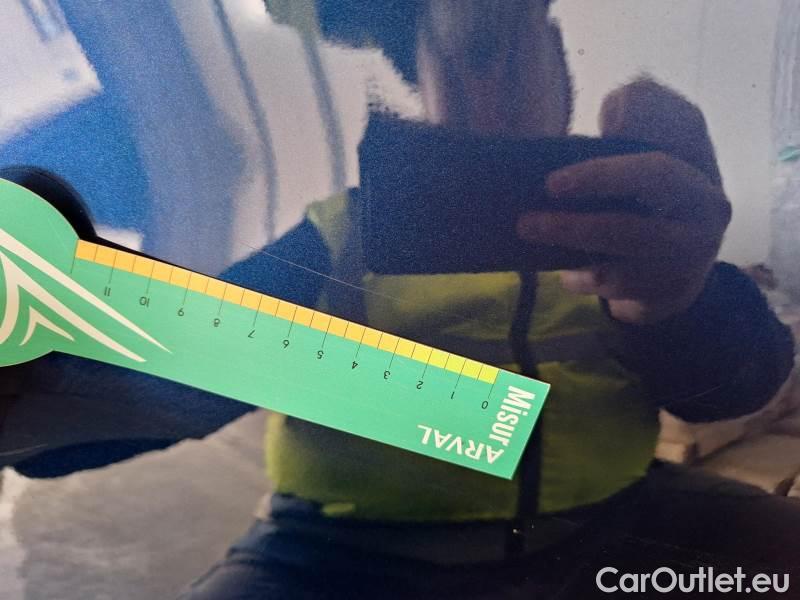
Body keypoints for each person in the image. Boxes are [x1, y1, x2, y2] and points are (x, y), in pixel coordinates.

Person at [1, 1, 795, 598]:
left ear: (561, 64)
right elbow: (154, 397)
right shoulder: (340, 236)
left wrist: (680, 300)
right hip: (341, 554)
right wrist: (39, 372)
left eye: (515, 53)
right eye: (465, 59)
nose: (493, 98)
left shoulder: (634, 224)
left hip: (616, 521)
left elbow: (745, 385)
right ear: (421, 83)